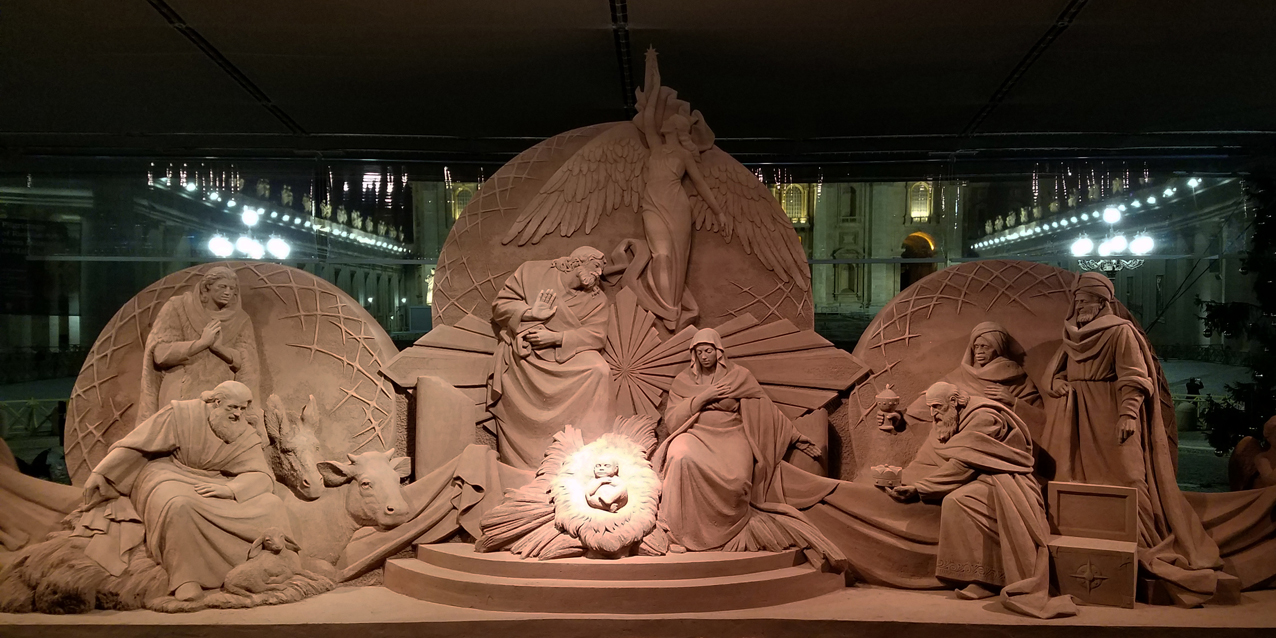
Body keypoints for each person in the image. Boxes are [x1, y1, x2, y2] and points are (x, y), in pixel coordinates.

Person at [1041, 272, 1222, 605]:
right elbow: (1053, 372)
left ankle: (1146, 539)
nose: (1079, 306)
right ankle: (1090, 538)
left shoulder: (1120, 332)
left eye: (1085, 300)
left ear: (1102, 302)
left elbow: (1134, 377)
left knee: (1130, 477)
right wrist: (1060, 383)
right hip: (1076, 418)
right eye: (1077, 301)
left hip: (1110, 413)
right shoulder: (1072, 335)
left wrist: (1127, 414)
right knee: (1075, 477)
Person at [79, 380, 289, 601]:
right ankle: (186, 579)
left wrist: (230, 489)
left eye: (242, 408)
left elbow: (261, 474)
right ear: (217, 402)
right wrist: (101, 472)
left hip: (216, 483)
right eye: (233, 407)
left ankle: (271, 567)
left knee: (271, 505)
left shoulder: (243, 433)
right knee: (179, 505)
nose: (238, 414)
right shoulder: (182, 414)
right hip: (169, 473)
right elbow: (137, 443)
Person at [652, 328, 842, 564]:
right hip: (695, 433)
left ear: (719, 351)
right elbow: (672, 420)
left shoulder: (739, 377)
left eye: (708, 351)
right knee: (680, 456)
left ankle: (727, 531)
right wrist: (703, 397)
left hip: (731, 435)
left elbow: (766, 410)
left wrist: (795, 437)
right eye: (699, 352)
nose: (704, 356)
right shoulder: (683, 381)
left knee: (739, 479)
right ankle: (680, 534)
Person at [888, 382, 1076, 619]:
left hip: (1006, 478)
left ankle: (987, 579)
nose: (933, 413)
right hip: (980, 476)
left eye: (937, 407)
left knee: (958, 501)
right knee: (958, 499)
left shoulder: (985, 418)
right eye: (930, 407)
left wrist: (920, 488)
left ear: (953, 402)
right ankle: (980, 577)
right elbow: (942, 457)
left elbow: (963, 465)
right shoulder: (950, 419)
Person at [490, 246, 614, 469]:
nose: (598, 274)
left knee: (599, 370)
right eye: (596, 266)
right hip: (526, 356)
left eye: (601, 270)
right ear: (578, 262)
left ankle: (592, 454)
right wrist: (530, 312)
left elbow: (595, 335)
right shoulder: (531, 272)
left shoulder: (597, 300)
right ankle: (527, 461)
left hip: (566, 353)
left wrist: (557, 338)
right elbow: (500, 307)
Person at [138, 266, 259, 422]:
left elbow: (247, 362)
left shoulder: (241, 319)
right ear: (206, 287)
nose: (228, 292)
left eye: (232, 289)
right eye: (222, 287)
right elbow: (161, 354)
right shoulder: (179, 307)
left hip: (221, 401)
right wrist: (201, 343)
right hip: (180, 394)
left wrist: (219, 348)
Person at [904, 322, 1046, 438]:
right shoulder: (962, 374)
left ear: (998, 348)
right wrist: (900, 416)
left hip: (998, 443)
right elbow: (934, 395)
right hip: (962, 441)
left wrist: (1013, 401)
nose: (979, 351)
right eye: (976, 347)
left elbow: (1040, 418)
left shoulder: (1017, 378)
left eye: (985, 347)